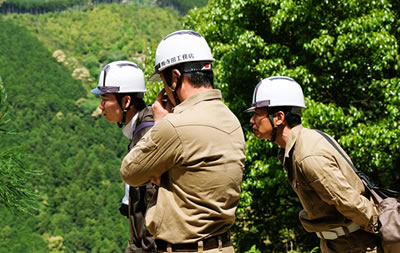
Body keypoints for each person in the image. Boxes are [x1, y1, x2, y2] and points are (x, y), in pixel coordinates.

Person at [120, 30, 246, 253]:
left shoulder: (175, 126)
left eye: (164, 84)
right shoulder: (231, 120)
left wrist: (159, 124)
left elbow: (130, 172)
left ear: (175, 77)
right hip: (222, 246)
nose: (165, 91)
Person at [246, 76, 381, 253]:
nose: (252, 121)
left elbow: (348, 201)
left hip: (354, 245)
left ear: (279, 117)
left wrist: (380, 227)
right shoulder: (299, 145)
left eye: (257, 114)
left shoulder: (307, 155)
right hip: (339, 243)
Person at [91, 60, 157, 253]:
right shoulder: (140, 130)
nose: (101, 107)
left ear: (126, 101)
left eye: (105, 99)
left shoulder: (147, 138)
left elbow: (152, 208)